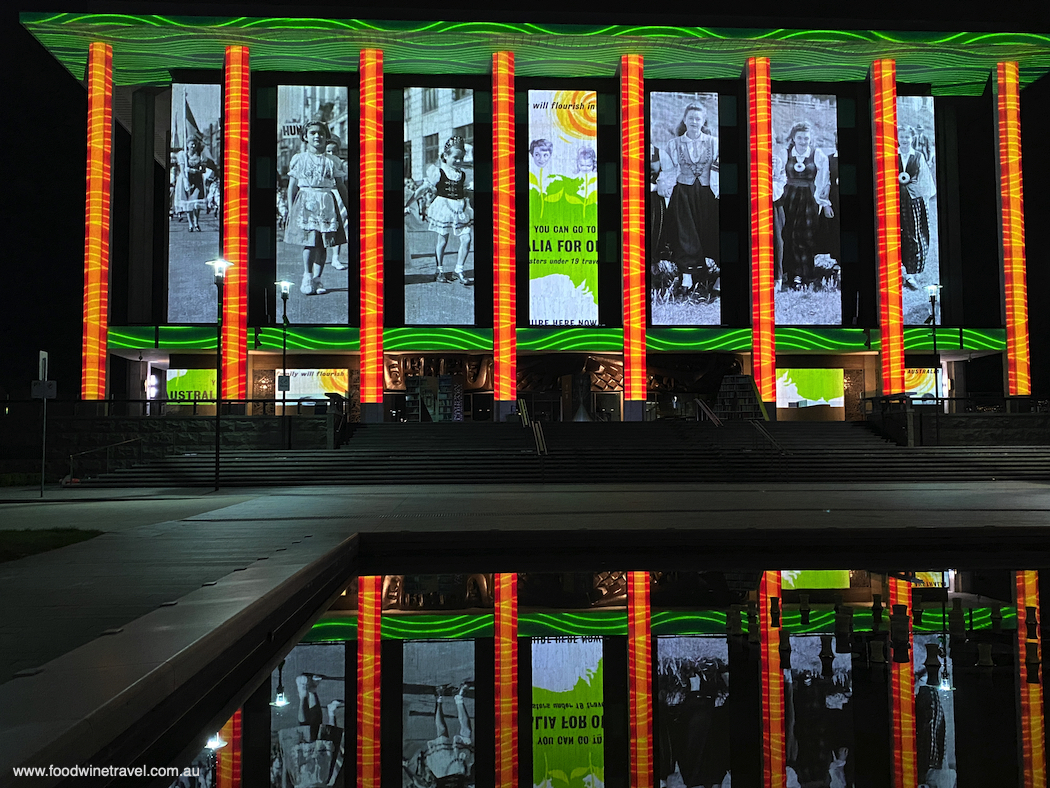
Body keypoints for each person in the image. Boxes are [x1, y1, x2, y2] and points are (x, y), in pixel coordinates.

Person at [655, 102, 719, 301]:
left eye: (698, 119)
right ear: (684, 120)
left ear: (703, 121)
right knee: (686, 235)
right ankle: (687, 279)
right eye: (690, 118)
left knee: (712, 232)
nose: (694, 122)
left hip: (708, 194)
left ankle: (715, 278)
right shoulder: (674, 144)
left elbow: (719, 168)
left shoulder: (714, 142)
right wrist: (664, 187)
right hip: (683, 194)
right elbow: (668, 170)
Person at [285, 120, 349, 296]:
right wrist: (291, 210)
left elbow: (341, 185)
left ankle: (318, 279)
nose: (317, 136)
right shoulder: (299, 159)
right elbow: (292, 186)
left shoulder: (333, 161)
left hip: (326, 201)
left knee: (324, 243)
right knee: (310, 242)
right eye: (312, 133)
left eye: (321, 133)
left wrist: (349, 207)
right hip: (306, 201)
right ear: (305, 137)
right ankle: (307, 275)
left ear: (326, 137)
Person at [405, 136, 474, 285]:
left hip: (460, 209)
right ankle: (439, 269)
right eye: (455, 158)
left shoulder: (463, 174)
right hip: (444, 208)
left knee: (467, 238)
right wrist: (408, 202)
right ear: (445, 156)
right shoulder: (438, 172)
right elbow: (423, 189)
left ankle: (459, 270)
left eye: (461, 158)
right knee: (442, 240)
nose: (458, 161)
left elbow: (468, 191)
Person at [780, 121, 832, 291]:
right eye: (800, 138)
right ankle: (789, 272)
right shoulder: (785, 153)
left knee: (805, 236)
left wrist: (822, 203)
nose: (803, 141)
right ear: (793, 138)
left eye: (806, 138)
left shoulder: (817, 155)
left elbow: (823, 181)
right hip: (788, 198)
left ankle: (805, 273)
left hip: (808, 198)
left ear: (811, 139)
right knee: (788, 234)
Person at [403, 684, 475, 788]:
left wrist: (407, 769)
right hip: (461, 769)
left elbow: (420, 784)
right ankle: (459, 697)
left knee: (442, 732)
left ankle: (439, 697)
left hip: (442, 770)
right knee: (467, 733)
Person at [898, 125, 933, 290]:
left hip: (911, 199)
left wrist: (916, 195)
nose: (904, 140)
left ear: (912, 139)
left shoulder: (918, 156)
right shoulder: (892, 155)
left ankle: (910, 274)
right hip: (893, 198)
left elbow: (924, 181)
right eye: (901, 137)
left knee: (912, 234)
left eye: (907, 137)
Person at [174, 136, 216, 233]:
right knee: (188, 204)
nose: (193, 146)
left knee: (196, 203)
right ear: (187, 145)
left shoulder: (200, 156)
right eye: (191, 144)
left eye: (195, 144)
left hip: (197, 180)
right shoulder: (184, 156)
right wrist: (186, 177)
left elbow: (204, 169)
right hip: (188, 180)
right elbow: (182, 169)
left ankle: (196, 223)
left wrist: (199, 169)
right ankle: (190, 224)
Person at [324, 137, 350, 271]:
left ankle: (335, 257)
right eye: (329, 151)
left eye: (334, 151)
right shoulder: (321, 161)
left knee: (338, 224)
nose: (331, 154)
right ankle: (319, 256)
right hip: (323, 194)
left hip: (337, 194)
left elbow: (343, 181)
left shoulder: (340, 163)